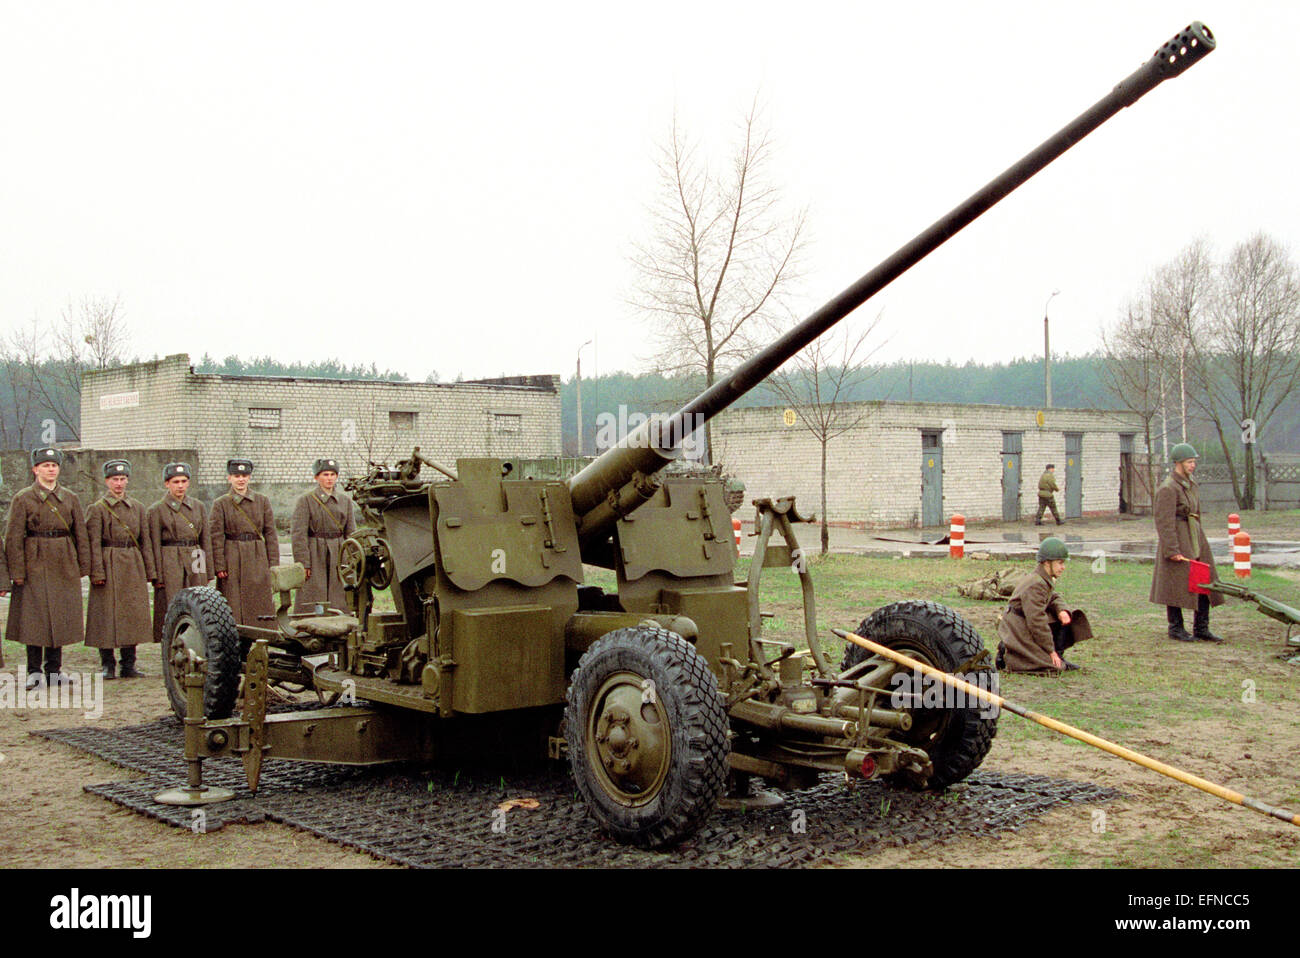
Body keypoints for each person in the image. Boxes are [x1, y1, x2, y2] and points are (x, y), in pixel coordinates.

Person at [2, 447, 90, 688]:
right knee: (35, 616)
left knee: (60, 615)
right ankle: (34, 671)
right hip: (34, 560)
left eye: (54, 465)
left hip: (63, 560)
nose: (50, 469)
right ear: (35, 469)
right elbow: (13, 537)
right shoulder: (23, 498)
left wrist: (84, 566)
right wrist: (17, 572)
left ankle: (54, 670)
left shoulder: (70, 498)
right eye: (45, 465)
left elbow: (80, 533)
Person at [85, 460, 156, 678]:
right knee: (105, 615)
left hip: (132, 564)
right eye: (114, 479)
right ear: (107, 481)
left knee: (131, 613)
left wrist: (150, 571)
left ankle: (129, 664)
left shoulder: (138, 508)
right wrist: (97, 571)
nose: (119, 483)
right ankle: (107, 664)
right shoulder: (97, 509)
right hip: (108, 561)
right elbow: (93, 543)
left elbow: (145, 541)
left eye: (122, 479)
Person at [1149, 443, 1224, 642]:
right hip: (1178, 539)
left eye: (1193, 462)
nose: (1193, 465)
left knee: (1204, 579)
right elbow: (1164, 521)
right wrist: (1172, 549)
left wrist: (1199, 537)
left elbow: (1196, 512)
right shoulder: (1168, 487)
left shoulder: (1191, 483)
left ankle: (1202, 627)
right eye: (1189, 462)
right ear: (1179, 463)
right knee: (1174, 585)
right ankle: (1176, 628)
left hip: (1194, 535)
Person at [996, 537, 1093, 674]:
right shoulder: (1036, 583)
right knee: (1052, 668)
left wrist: (1062, 610)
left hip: (1024, 623)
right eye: (1060, 563)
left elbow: (1053, 596)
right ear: (1047, 563)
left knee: (1070, 616)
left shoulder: (1041, 578)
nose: (1063, 567)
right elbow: (1036, 621)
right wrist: (1050, 651)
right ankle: (1006, 653)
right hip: (1017, 628)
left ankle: (1058, 657)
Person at [147, 461, 213, 644]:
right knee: (172, 600)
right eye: (175, 482)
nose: (180, 486)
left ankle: (198, 640)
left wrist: (207, 570)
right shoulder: (156, 510)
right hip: (170, 557)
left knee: (198, 597)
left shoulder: (198, 506)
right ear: (167, 484)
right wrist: (157, 574)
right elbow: (153, 543)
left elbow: (205, 539)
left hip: (195, 554)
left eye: (184, 481)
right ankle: (172, 642)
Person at [209, 458, 278, 627]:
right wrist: (220, 565)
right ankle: (235, 634)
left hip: (257, 554)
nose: (241, 479)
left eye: (245, 475)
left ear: (250, 477)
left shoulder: (262, 501)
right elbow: (216, 536)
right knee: (233, 600)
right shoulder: (221, 504)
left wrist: (273, 563)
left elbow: (270, 533)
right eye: (236, 475)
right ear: (229, 478)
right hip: (232, 555)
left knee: (259, 597)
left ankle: (262, 633)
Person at [291, 457, 356, 613]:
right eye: (325, 474)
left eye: (333, 475)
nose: (329, 478)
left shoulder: (345, 501)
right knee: (314, 589)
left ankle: (339, 619)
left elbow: (351, 532)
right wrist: (303, 562)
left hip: (339, 550)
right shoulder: (306, 500)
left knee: (339, 589)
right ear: (316, 477)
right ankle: (310, 620)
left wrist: (353, 558)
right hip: (315, 549)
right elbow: (299, 534)